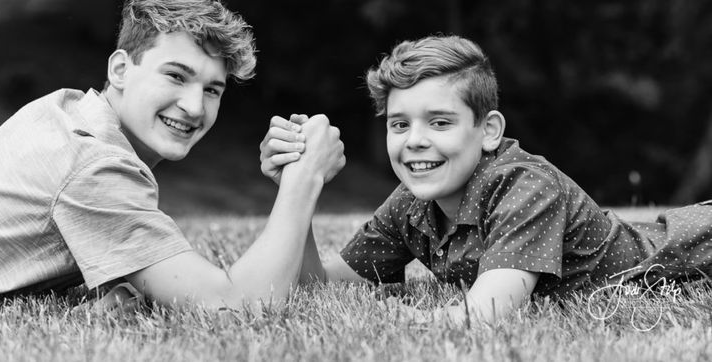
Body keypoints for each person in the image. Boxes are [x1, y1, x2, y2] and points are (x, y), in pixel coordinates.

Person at [260, 34, 712, 324]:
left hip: (691, 254)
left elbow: (489, 312)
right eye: (399, 125)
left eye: (439, 123)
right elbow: (318, 288)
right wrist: (300, 187)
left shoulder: (525, 184)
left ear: (489, 130)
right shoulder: (411, 204)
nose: (414, 141)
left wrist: (383, 324)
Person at [0, 0, 345, 311]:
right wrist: (304, 176)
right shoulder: (94, 164)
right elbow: (234, 306)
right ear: (121, 69)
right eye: (175, 76)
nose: (195, 107)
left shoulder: (66, 111)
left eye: (212, 90)